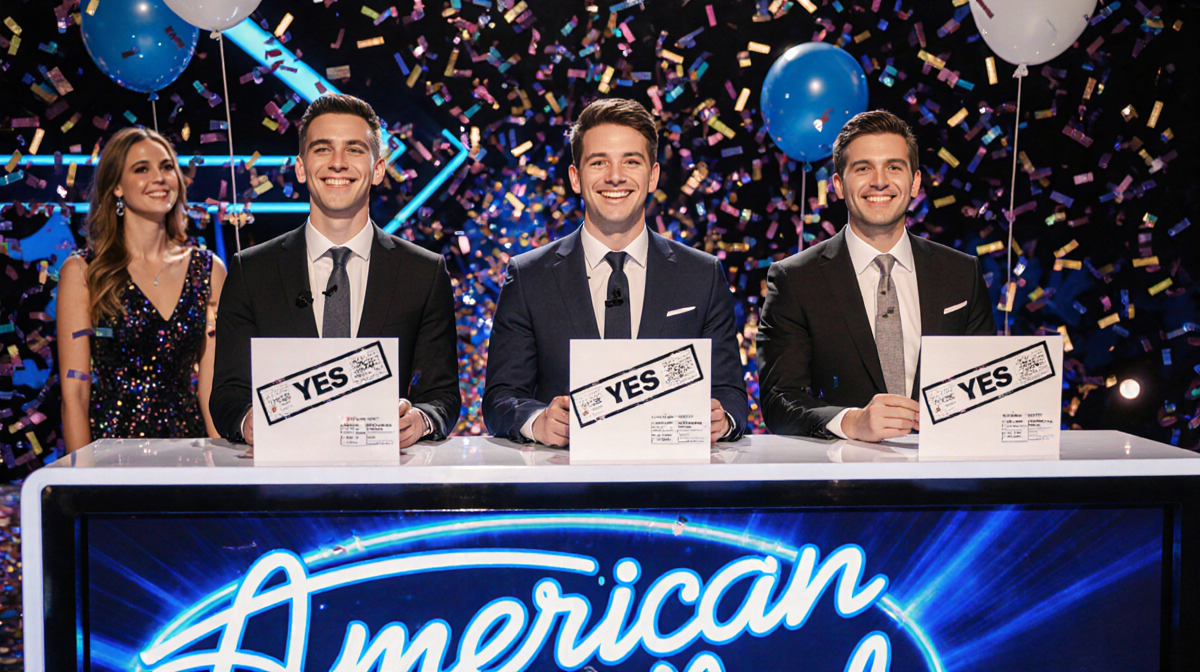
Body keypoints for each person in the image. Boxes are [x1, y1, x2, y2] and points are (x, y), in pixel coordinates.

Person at [483, 97, 748, 446]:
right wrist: (538, 421)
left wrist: (722, 420)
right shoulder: (529, 276)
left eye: (631, 161)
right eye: (598, 162)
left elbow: (731, 395)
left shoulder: (702, 274)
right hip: (566, 485)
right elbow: (500, 399)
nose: (615, 176)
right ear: (576, 178)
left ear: (652, 175)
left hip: (672, 487)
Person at [210, 93, 460, 446]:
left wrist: (420, 420)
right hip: (281, 485)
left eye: (354, 149)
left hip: (386, 485)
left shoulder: (424, 273)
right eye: (323, 149)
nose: (338, 163)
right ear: (300, 168)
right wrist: (246, 419)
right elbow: (227, 395)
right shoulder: (251, 272)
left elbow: (443, 397)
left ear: (377, 170)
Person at [757, 110, 996, 442]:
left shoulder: (961, 273)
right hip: (841, 482)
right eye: (863, 168)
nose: (879, 181)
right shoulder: (795, 280)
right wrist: (852, 422)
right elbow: (778, 399)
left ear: (915, 183)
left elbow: (987, 385)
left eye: (894, 167)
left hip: (945, 478)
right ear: (838, 184)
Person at [58, 128, 226, 452]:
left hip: (188, 455)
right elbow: (74, 395)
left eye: (166, 167)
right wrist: (82, 487)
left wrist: (227, 473)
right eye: (141, 169)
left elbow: (210, 390)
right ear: (116, 186)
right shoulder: (83, 272)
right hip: (112, 460)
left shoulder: (208, 270)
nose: (159, 178)